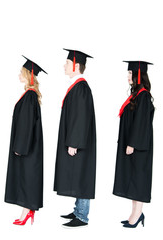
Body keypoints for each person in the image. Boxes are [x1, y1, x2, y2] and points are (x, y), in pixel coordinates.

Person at [54, 49, 96, 228]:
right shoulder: (77, 87)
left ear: (76, 65)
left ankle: (82, 216)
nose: (64, 65)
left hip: (79, 142)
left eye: (67, 62)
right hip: (77, 141)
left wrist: (74, 142)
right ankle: (78, 209)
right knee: (79, 174)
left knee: (83, 175)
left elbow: (81, 118)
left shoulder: (82, 88)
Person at [5, 56, 46, 226]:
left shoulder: (29, 96)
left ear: (29, 75)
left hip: (27, 147)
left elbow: (26, 124)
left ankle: (28, 211)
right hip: (29, 145)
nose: (18, 75)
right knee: (26, 177)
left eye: (21, 73)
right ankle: (27, 211)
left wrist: (20, 147)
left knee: (28, 177)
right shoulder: (29, 95)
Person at [113, 61, 155, 228]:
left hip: (139, 147)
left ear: (139, 75)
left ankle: (137, 214)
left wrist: (132, 143)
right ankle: (135, 213)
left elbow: (141, 123)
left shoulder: (143, 96)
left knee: (138, 180)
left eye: (131, 73)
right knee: (133, 179)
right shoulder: (136, 95)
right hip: (134, 146)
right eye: (129, 73)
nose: (128, 76)